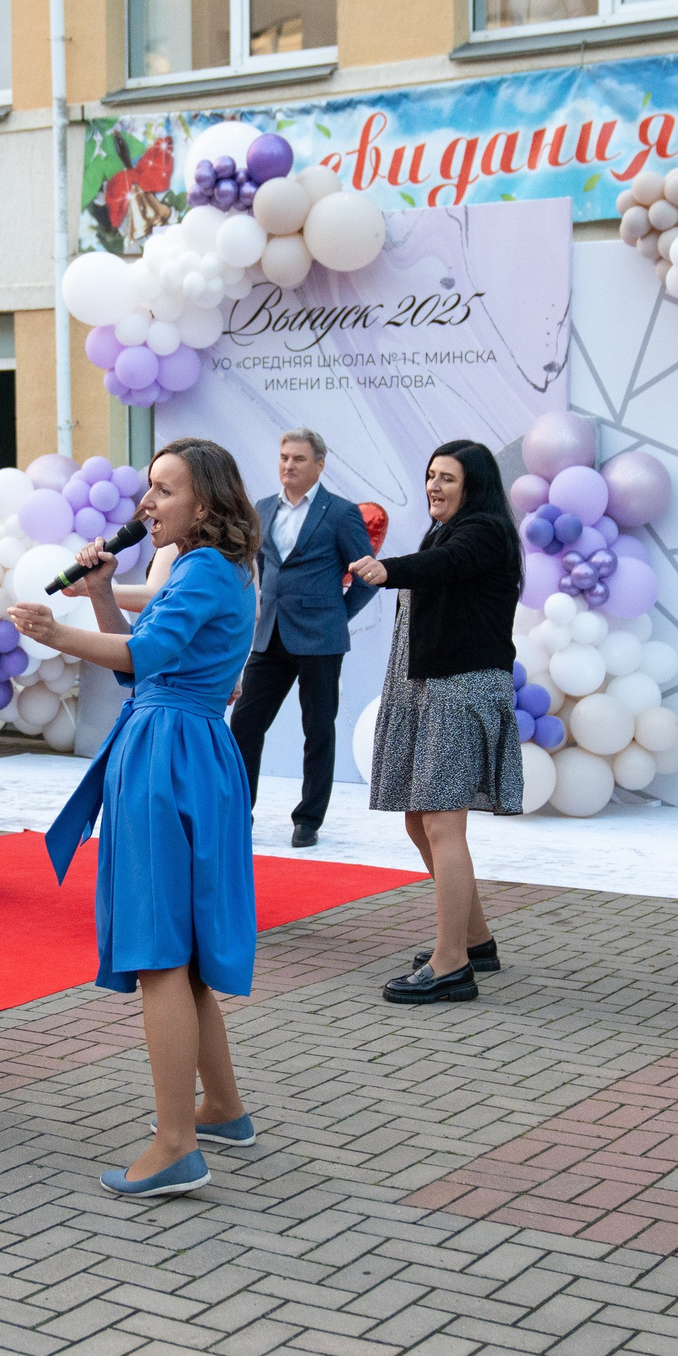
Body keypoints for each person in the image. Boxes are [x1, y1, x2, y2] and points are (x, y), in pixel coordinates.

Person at [12, 439, 260, 1198]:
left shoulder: (202, 568)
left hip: (168, 757)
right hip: (188, 749)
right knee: (183, 957)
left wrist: (56, 632)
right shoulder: (216, 568)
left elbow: (146, 655)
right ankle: (222, 1108)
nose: (147, 502)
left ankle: (176, 1145)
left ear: (205, 502)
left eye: (165, 489)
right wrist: (98, 595)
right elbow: (147, 658)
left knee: (159, 953)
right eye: (150, 487)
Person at [351, 440, 523, 1005]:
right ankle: (474, 940)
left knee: (443, 824)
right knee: (419, 821)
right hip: (433, 688)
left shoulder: (485, 532)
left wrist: (387, 569)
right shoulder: (446, 532)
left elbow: (442, 568)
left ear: (474, 485)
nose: (433, 485)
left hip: (461, 688)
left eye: (447, 477)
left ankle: (451, 966)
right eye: (430, 475)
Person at [231, 429, 377, 848]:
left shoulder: (341, 513)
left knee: (318, 730)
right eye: (284, 457)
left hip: (320, 639)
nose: (288, 465)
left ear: (319, 465)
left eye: (298, 458)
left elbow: (367, 576)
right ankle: (239, 812)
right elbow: (256, 570)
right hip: (270, 635)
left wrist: (338, 616)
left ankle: (308, 820)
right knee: (244, 725)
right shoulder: (261, 509)